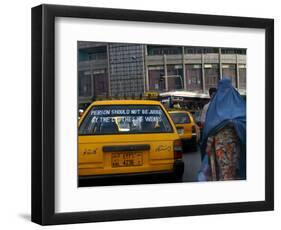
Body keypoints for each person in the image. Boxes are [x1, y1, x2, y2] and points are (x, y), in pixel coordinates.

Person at [199, 78, 246, 181]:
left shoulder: (215, 102)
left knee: (226, 171)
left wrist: (234, 123)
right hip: (230, 144)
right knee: (228, 170)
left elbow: (245, 120)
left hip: (225, 143)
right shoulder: (236, 99)